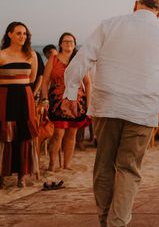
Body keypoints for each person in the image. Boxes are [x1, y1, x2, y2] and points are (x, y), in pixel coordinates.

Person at [61, 0, 159, 227]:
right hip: (141, 110)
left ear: (135, 5)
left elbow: (82, 57)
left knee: (104, 165)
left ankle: (106, 225)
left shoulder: (110, 24)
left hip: (107, 105)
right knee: (128, 169)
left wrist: (70, 92)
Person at [40, 32, 91, 171]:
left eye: (71, 41)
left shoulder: (80, 60)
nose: (68, 44)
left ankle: (67, 165)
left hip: (77, 102)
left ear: (74, 44)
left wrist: (90, 104)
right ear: (60, 44)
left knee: (72, 133)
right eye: (65, 41)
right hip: (57, 101)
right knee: (58, 134)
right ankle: (52, 165)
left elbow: (87, 82)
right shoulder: (53, 59)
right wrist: (44, 99)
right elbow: (45, 82)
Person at [0, 22, 39, 188]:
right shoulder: (1, 54)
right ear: (9, 34)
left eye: (24, 33)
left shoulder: (32, 55)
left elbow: (32, 79)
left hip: (25, 96)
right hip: (5, 96)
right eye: (18, 33)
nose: (22, 36)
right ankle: (1, 175)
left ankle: (22, 176)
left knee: (25, 134)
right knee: (4, 133)